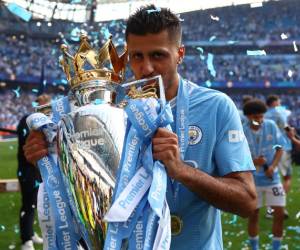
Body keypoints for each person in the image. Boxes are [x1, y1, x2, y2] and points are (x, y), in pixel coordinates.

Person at [24, 5, 257, 249]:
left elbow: (247, 201)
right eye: (137, 56)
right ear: (126, 57)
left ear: (180, 54)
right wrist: (46, 158)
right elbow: (85, 193)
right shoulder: (110, 111)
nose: (146, 68)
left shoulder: (216, 107)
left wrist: (181, 170)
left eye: (158, 55)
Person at [243, 99, 285, 250]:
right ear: (248, 117)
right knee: (253, 215)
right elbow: (239, 157)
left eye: (261, 116)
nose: (259, 120)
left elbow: (279, 148)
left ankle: (276, 247)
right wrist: (255, 161)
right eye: (256, 118)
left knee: (279, 214)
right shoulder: (242, 132)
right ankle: (254, 247)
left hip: (272, 179)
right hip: (252, 181)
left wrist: (273, 166)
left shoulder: (271, 126)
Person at [17, 94, 50, 250]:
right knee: (27, 203)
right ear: (38, 103)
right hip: (27, 170)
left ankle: (30, 234)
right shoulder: (27, 120)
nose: (48, 105)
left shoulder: (43, 120)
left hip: (37, 171)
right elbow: (28, 145)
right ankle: (25, 240)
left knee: (36, 204)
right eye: (45, 102)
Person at [265, 95, 292, 218]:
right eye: (279, 101)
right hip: (282, 147)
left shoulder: (264, 114)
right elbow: (286, 127)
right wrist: (292, 134)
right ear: (275, 102)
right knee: (286, 177)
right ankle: (279, 207)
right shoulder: (279, 112)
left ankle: (270, 209)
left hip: (268, 149)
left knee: (272, 178)